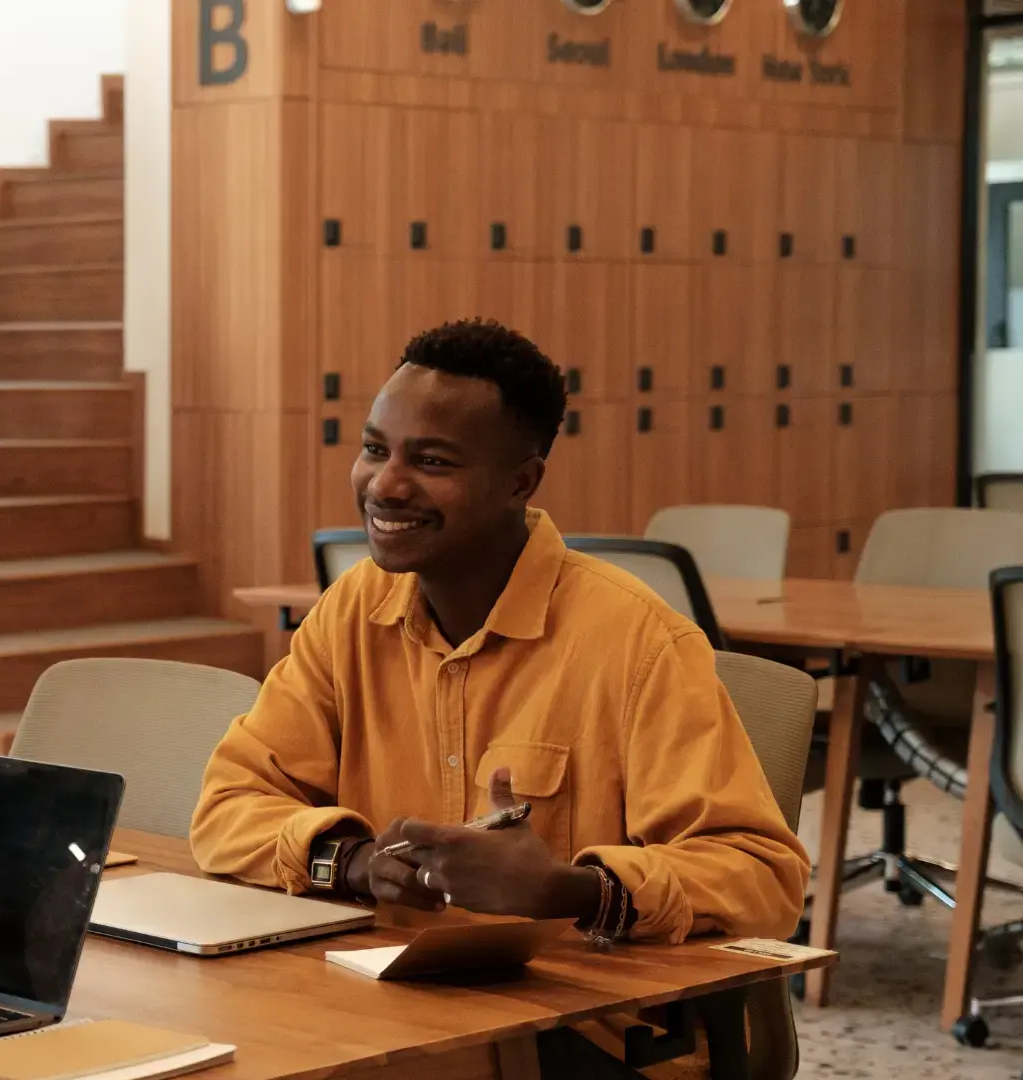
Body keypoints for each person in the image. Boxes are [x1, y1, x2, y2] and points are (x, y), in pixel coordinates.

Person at [189, 320, 809, 945]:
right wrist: (354, 862)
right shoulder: (349, 613)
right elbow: (228, 807)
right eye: (376, 449)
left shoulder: (638, 641)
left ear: (521, 482)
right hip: (378, 993)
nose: (385, 485)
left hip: (571, 1020)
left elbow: (762, 879)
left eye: (431, 461)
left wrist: (566, 890)